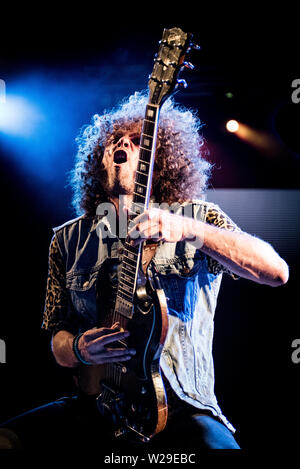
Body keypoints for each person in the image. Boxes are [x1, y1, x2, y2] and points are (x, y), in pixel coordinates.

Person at [0, 91, 289, 451]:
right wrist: (78, 348)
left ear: (160, 159)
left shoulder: (196, 217)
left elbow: (276, 272)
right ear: (98, 160)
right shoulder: (68, 240)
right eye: (114, 141)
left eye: (138, 141)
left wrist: (187, 228)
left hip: (182, 408)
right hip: (95, 406)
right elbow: (56, 342)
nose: (123, 143)